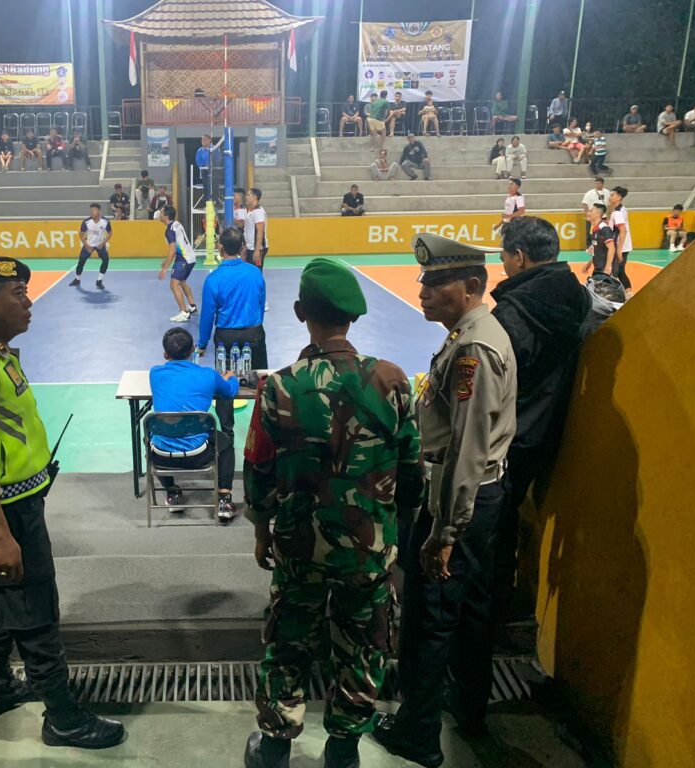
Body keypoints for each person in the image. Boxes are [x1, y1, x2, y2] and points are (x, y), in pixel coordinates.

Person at [0, 257, 125, 747]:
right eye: (17, 293)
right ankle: (62, 715)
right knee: (35, 609)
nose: (28, 302)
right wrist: (0, 534)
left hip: (13, 506)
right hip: (4, 515)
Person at [243, 258, 424, 768]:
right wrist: (395, 531)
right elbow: (411, 469)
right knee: (363, 647)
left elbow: (258, 468)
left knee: (288, 642)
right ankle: (343, 751)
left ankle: (275, 748)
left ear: (300, 312)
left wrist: (262, 530)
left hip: (299, 545)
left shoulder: (279, 387)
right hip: (369, 548)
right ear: (354, 316)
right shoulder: (392, 381)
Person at [373, 233, 517, 768]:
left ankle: (417, 733)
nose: (423, 291)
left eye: (437, 282)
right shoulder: (469, 335)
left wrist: (444, 532)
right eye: (424, 281)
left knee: (430, 617)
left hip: (458, 499)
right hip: (478, 495)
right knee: (469, 608)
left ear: (472, 285)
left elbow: (466, 448)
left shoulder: (473, 349)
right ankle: (466, 710)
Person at [491, 217, 591, 623]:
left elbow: (495, 380)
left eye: (504, 256)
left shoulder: (515, 310)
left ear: (519, 257)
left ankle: (493, 606)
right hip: (554, 427)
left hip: (514, 433)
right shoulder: (579, 297)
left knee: (493, 519)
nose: (502, 263)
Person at [194, 227, 267, 522]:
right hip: (255, 339)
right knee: (264, 403)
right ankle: (264, 482)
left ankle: (224, 494)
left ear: (220, 248)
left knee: (225, 418)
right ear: (243, 248)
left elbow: (207, 317)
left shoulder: (213, 279)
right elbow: (261, 304)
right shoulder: (255, 273)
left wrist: (201, 345)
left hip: (226, 342)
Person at [149, 328, 238, 512]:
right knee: (226, 443)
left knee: (148, 437)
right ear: (192, 351)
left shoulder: (155, 374)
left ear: (165, 354)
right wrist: (232, 378)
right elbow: (229, 392)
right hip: (199, 455)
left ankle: (172, 493)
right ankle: (224, 500)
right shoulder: (208, 375)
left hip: (160, 456)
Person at [158, 204, 197, 322]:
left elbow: (173, 250)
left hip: (183, 259)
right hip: (191, 257)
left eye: (161, 212)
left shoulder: (169, 230)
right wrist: (167, 261)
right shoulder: (176, 224)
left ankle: (184, 312)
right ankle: (192, 306)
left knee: (174, 284)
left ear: (166, 216)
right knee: (182, 281)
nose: (159, 214)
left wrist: (165, 268)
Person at [70, 203, 111, 289]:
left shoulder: (105, 221)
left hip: (100, 244)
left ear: (99, 211)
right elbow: (81, 234)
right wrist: (86, 245)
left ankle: (99, 281)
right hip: (89, 244)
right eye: (91, 210)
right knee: (81, 262)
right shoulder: (86, 222)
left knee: (106, 260)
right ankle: (77, 279)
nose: (92, 212)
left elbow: (110, 233)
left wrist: (103, 243)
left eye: (94, 210)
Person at [608, 186, 633, 297]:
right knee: (619, 271)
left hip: (621, 246)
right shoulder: (617, 210)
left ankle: (622, 294)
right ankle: (628, 293)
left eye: (612, 195)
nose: (610, 197)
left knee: (616, 271)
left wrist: (618, 250)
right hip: (621, 246)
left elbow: (622, 231)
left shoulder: (619, 212)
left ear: (619, 197)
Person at [583, 203, 616, 276]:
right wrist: (589, 264)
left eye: (591, 211)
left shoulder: (604, 228)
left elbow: (611, 248)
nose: (588, 213)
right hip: (598, 269)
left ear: (598, 214)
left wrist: (607, 268)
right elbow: (597, 250)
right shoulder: (595, 229)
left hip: (604, 270)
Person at [243, 188, 269, 275]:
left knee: (256, 273)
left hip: (257, 248)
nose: (246, 197)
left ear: (255, 197)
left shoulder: (258, 212)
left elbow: (260, 231)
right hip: (251, 247)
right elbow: (249, 231)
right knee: (250, 272)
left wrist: (257, 250)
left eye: (248, 195)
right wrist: (246, 246)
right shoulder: (251, 211)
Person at [195, 134, 224, 204]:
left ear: (209, 140)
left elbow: (219, 159)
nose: (202, 141)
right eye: (202, 140)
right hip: (205, 171)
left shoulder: (215, 148)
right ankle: (207, 203)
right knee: (206, 188)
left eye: (204, 139)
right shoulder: (200, 151)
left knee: (215, 187)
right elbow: (198, 161)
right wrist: (205, 165)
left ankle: (216, 203)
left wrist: (212, 164)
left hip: (214, 171)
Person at [582, 177, 608, 246]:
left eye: (598, 184)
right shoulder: (590, 193)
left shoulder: (607, 192)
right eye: (595, 184)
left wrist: (609, 215)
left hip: (603, 217)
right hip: (593, 217)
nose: (597, 185)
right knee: (590, 233)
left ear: (602, 184)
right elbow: (584, 203)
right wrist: (588, 214)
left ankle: (602, 247)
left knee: (602, 233)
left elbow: (609, 204)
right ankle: (589, 247)